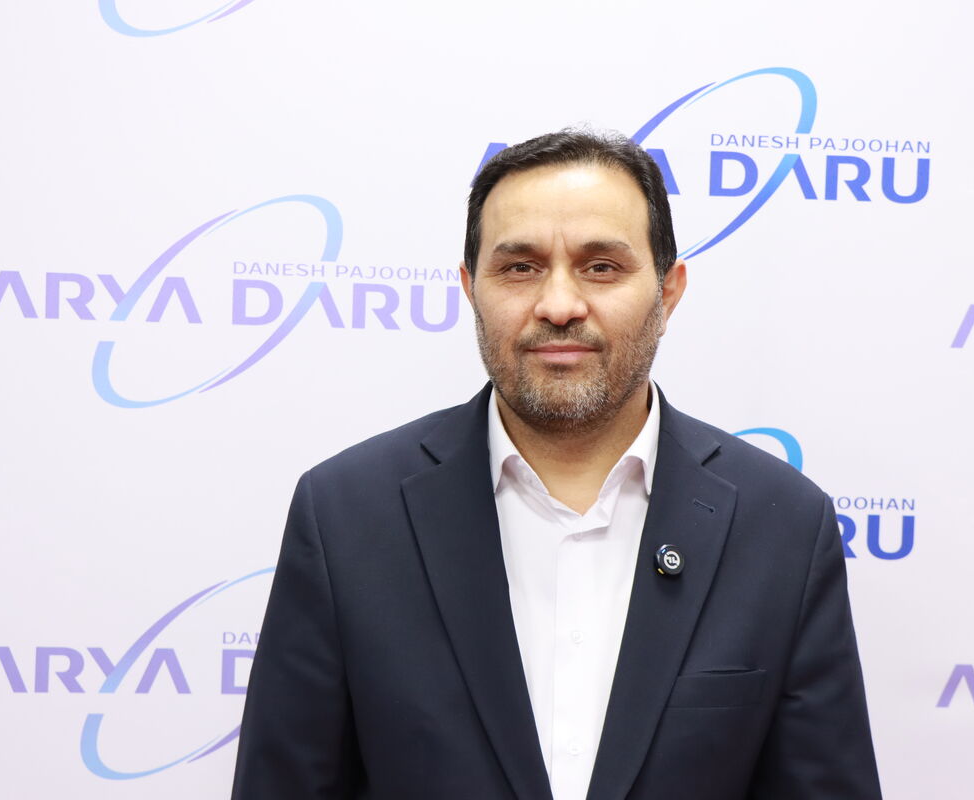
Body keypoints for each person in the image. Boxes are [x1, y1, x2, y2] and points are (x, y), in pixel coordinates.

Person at [231, 130, 882, 799]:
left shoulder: (782, 527)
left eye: (601, 267)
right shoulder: (346, 517)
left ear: (669, 292)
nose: (560, 305)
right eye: (520, 268)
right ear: (470, 288)